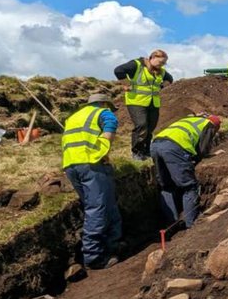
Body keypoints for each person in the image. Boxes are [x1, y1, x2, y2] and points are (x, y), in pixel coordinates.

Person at [61, 93, 122, 270]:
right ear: (103, 103)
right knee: (98, 208)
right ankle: (94, 257)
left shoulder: (73, 117)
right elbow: (110, 127)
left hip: (71, 165)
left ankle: (113, 243)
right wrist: (104, 150)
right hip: (92, 164)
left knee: (103, 204)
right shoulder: (103, 112)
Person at [150, 114, 221, 229]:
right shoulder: (209, 125)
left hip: (155, 145)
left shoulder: (189, 120)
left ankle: (171, 224)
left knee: (166, 187)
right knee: (190, 186)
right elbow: (202, 150)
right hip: (174, 148)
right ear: (216, 126)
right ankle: (191, 222)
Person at [114, 50, 173, 161]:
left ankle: (146, 151)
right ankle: (136, 152)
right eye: (160, 62)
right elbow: (119, 70)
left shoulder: (161, 71)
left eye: (164, 63)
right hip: (136, 101)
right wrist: (126, 83)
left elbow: (169, 79)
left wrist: (163, 85)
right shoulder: (137, 65)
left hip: (153, 102)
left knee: (150, 127)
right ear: (152, 57)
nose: (162, 65)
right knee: (142, 125)